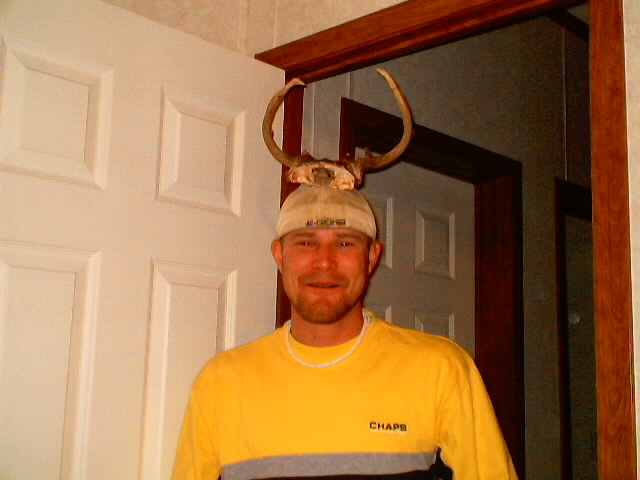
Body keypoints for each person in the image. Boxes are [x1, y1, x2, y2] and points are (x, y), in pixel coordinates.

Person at [173, 71, 517, 480]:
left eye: (345, 243)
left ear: (372, 257)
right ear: (279, 255)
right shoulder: (221, 383)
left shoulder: (441, 369)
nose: (324, 262)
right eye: (305, 242)